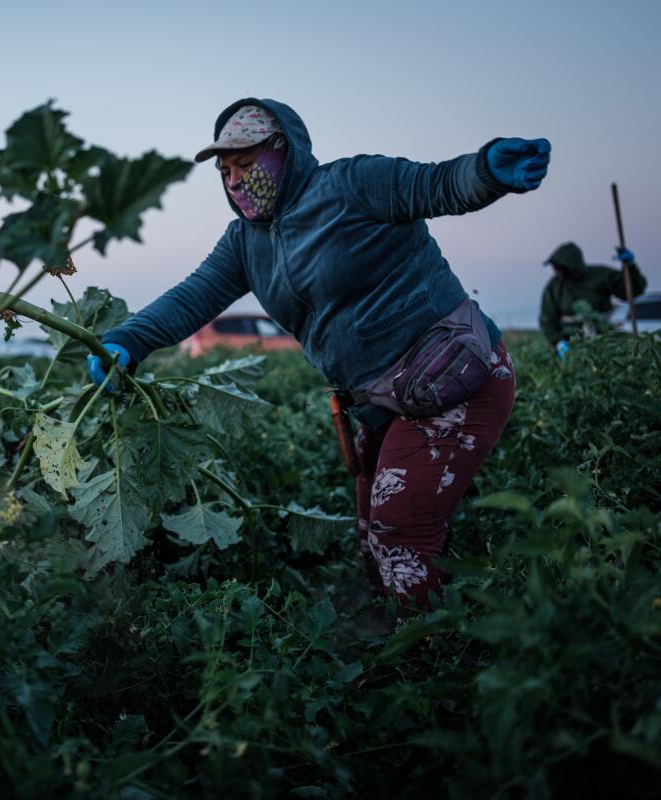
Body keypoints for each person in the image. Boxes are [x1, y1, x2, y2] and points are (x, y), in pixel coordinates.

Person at [87, 99, 550, 607]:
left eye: (246, 163)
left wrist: (486, 171)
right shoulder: (245, 242)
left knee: (400, 532)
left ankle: (430, 665)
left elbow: (437, 184)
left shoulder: (353, 185)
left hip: (456, 376)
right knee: (375, 538)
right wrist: (129, 340)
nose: (236, 181)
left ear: (286, 151)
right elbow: (194, 295)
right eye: (225, 171)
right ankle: (412, 642)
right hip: (387, 401)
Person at [539, 242, 646, 356]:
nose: (556, 271)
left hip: (604, 341)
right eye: (555, 267)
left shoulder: (600, 275)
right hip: (572, 346)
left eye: (559, 267)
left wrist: (630, 267)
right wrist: (559, 342)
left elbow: (632, 290)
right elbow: (547, 320)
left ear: (571, 266)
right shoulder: (554, 286)